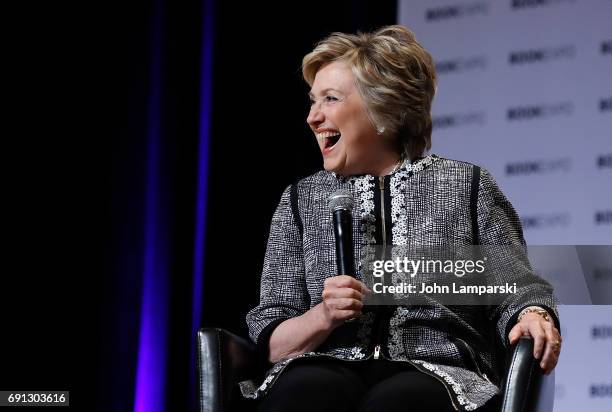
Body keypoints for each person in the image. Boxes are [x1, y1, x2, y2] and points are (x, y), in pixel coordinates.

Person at [240, 25, 562, 411]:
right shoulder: (300, 200)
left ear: (383, 109)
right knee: (302, 392)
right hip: (322, 367)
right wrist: (323, 315)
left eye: (330, 99)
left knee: (399, 401)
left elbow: (515, 286)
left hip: (434, 372)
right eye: (312, 101)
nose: (312, 117)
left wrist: (532, 313)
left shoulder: (466, 186)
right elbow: (272, 336)